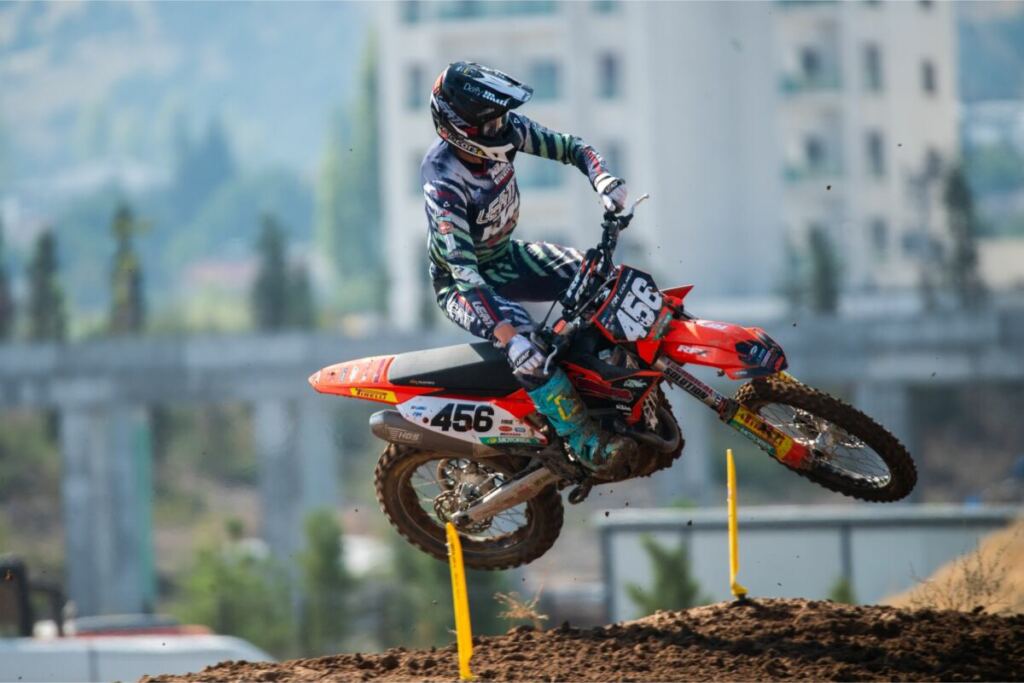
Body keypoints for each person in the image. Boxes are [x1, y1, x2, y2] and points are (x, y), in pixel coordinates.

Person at [421, 61, 636, 474]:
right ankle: (585, 444)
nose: (503, 128)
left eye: (502, 117)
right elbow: (464, 273)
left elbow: (572, 147)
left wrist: (603, 180)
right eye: (492, 122)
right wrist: (509, 339)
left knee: (602, 282)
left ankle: (608, 392)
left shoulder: (506, 131)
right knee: (529, 351)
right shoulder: (443, 180)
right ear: (460, 129)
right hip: (462, 285)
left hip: (504, 256)